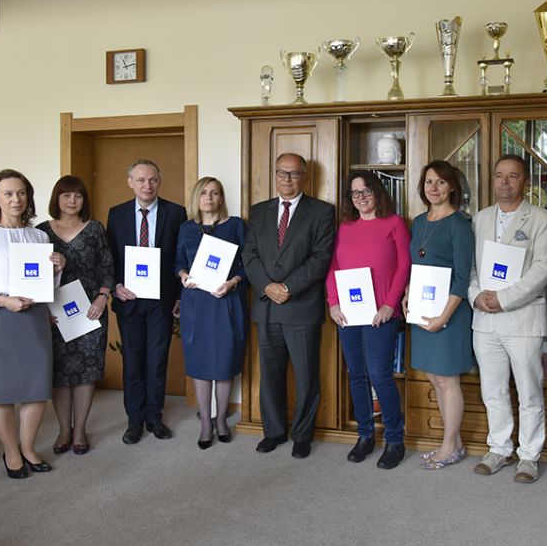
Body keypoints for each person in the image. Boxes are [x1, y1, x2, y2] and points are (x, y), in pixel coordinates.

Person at [0, 169, 65, 478]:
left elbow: (47, 287)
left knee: (36, 386)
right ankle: (10, 451)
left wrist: (57, 269)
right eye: (8, 193)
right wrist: (3, 300)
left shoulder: (39, 236)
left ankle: (29, 447)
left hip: (34, 318)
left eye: (21, 193)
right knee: (0, 390)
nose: (15, 199)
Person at [468, 155, 547, 483]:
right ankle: (499, 448)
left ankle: (529, 456)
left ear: (526, 182)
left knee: (529, 391)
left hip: (522, 319)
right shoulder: (480, 218)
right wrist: (476, 295)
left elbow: (543, 268)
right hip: (485, 320)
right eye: (499, 175)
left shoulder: (543, 219)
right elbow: (472, 265)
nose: (504, 182)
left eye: (513, 176)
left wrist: (503, 299)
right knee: (492, 390)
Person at [242, 152, 335, 459]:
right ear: (274, 175)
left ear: (304, 177)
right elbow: (249, 255)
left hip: (301, 306)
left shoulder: (322, 212)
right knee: (270, 374)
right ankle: (274, 431)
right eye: (282, 173)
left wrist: (288, 287)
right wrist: (267, 286)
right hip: (266, 305)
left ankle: (302, 435)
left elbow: (320, 258)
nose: (287, 179)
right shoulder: (258, 211)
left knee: (306, 377)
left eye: (294, 174)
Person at [327, 170, 411, 469]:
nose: (361, 197)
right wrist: (333, 303)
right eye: (355, 193)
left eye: (366, 191)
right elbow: (333, 266)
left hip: (381, 314)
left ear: (377, 192)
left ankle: (395, 439)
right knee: (357, 374)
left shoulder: (395, 223)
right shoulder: (345, 227)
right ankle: (365, 435)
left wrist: (390, 304)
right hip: (349, 313)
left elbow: (404, 265)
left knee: (380, 375)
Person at [107, 159, 187, 444]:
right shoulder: (116, 214)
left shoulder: (176, 213)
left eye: (152, 179)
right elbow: (110, 257)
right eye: (140, 180)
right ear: (130, 182)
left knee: (156, 360)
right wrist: (115, 286)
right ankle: (134, 420)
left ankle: (154, 417)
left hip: (161, 300)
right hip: (129, 299)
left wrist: (179, 295)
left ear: (159, 182)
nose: (147, 185)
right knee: (132, 361)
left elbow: (181, 256)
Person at [402, 160, 474, 470]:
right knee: (434, 377)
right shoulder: (419, 222)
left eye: (441, 182)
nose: (434, 188)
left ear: (452, 187)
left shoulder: (459, 225)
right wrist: (407, 293)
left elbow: (462, 278)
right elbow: (415, 265)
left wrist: (444, 316)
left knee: (447, 379)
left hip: (450, 314)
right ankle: (454, 442)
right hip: (423, 310)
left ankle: (449, 446)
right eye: (429, 182)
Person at [37, 176, 114, 456]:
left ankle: (80, 429)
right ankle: (63, 430)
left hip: (90, 311)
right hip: (55, 313)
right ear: (56, 198)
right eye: (66, 195)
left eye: (78, 195)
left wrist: (103, 297)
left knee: (86, 373)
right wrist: (42, 310)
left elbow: (108, 267)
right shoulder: (41, 232)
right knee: (60, 374)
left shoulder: (95, 229)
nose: (72, 200)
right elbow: (31, 275)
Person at [175, 177, 248, 449]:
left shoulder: (236, 225)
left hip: (226, 301)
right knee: (200, 363)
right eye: (204, 192)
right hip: (196, 303)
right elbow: (178, 262)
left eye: (215, 193)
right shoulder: (186, 228)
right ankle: (206, 421)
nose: (209, 197)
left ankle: (221, 420)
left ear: (221, 198)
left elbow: (248, 264)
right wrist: (182, 275)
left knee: (225, 362)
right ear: (197, 197)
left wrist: (233, 281)